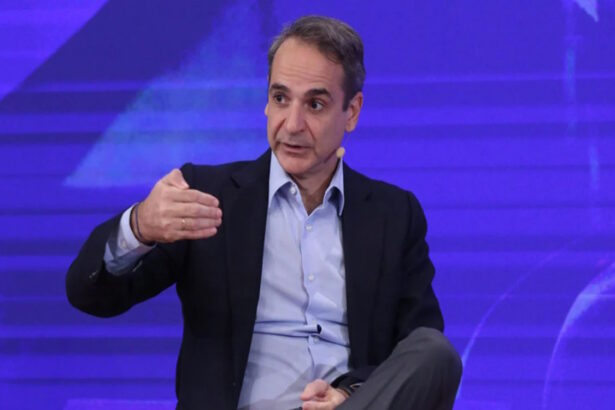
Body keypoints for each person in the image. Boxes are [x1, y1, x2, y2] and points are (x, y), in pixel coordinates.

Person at [66, 15, 462, 410]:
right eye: (281, 98)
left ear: (352, 111)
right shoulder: (208, 196)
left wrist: (350, 393)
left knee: (435, 351)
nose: (292, 124)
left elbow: (419, 361)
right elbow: (92, 296)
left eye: (315, 104)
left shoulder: (394, 215)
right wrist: (140, 226)